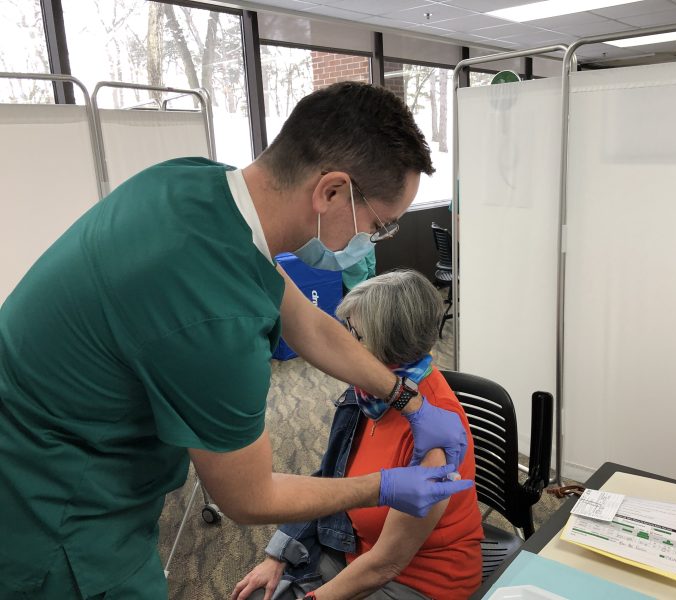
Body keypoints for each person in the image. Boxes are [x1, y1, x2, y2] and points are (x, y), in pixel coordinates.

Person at [0, 82, 471, 599]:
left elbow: (308, 323)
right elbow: (249, 497)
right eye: (379, 226)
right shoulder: (214, 313)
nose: (371, 242)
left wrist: (405, 397)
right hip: (56, 510)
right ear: (332, 192)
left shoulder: (192, 182)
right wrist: (384, 486)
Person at [232, 271, 483, 600]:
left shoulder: (436, 439)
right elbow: (331, 475)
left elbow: (387, 565)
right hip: (353, 547)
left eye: (355, 334)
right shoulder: (370, 395)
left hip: (418, 580)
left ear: (390, 344)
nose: (345, 343)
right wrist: (278, 553)